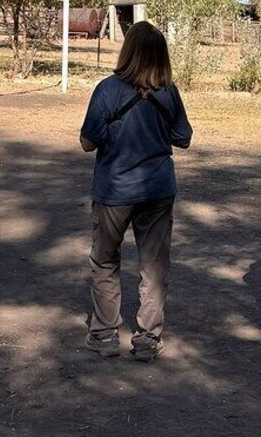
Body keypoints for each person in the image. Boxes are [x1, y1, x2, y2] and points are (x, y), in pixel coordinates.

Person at [80, 21, 193, 362]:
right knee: (154, 264)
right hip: (157, 188)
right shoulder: (168, 91)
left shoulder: (107, 90)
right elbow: (183, 137)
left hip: (114, 189)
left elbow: (87, 142)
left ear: (127, 50)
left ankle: (104, 334)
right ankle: (147, 337)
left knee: (104, 260)